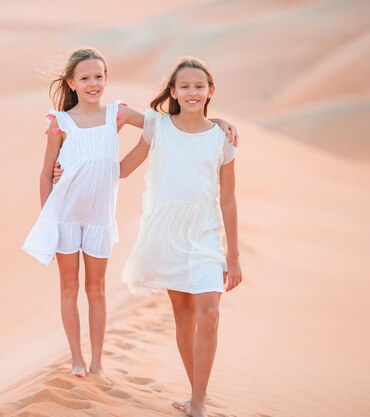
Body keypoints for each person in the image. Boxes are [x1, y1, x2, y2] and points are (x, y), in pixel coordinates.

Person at [24, 48, 238, 388]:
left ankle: (97, 364)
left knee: (96, 289)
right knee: (69, 286)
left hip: (99, 218)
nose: (93, 84)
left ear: (106, 79)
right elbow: (44, 173)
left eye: (98, 77)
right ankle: (77, 360)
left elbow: (165, 123)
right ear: (71, 83)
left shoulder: (118, 114)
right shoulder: (59, 122)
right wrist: (46, 219)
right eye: (85, 78)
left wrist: (219, 123)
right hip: (63, 215)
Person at [120, 57, 242, 417]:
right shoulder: (158, 126)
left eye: (199, 86)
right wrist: (77, 166)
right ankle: (194, 394)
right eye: (184, 86)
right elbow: (124, 168)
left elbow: (229, 197)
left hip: (205, 235)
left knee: (210, 312)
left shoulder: (223, 137)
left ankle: (199, 403)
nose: (192, 92)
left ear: (210, 91)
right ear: (173, 91)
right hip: (166, 234)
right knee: (184, 314)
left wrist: (233, 256)